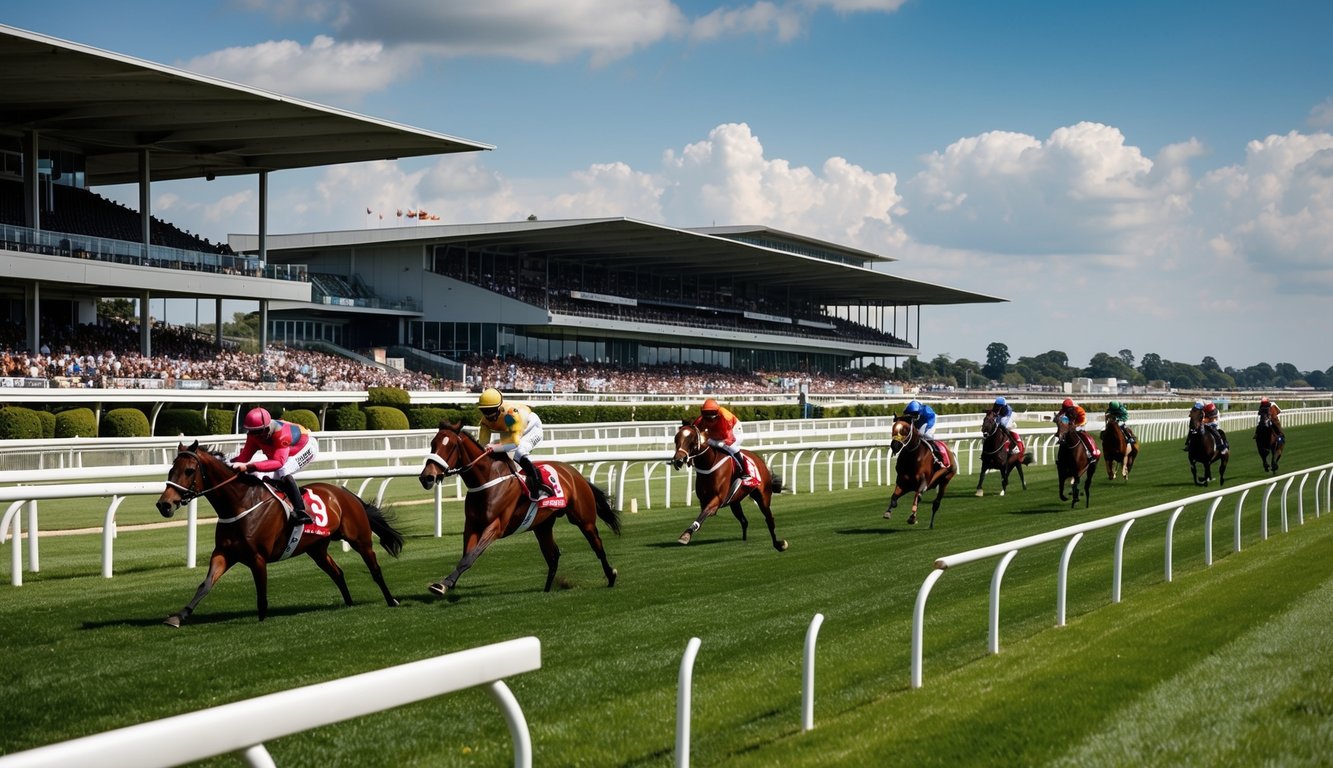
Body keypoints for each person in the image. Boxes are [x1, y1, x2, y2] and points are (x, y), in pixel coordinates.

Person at [229, 407, 316, 525]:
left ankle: (301, 511)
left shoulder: (282, 434)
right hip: (285, 452)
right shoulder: (254, 434)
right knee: (259, 474)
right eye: (251, 431)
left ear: (266, 427)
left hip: (306, 447)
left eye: (258, 431)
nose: (254, 436)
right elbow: (244, 458)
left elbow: (278, 462)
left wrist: (248, 467)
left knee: (283, 470)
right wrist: (227, 462)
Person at [476, 387, 553, 499]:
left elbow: (515, 444)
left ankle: (539, 484)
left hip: (531, 428)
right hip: (511, 430)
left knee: (520, 451)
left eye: (491, 410)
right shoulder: (485, 422)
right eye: (484, 411)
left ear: (499, 407)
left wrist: (494, 447)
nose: (488, 415)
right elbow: (482, 446)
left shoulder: (511, 415)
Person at [692, 398, 750, 480]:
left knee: (730, 447)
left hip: (734, 432)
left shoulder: (726, 418)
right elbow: (693, 429)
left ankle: (745, 471)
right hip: (717, 435)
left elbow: (729, 438)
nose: (709, 419)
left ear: (717, 412)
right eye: (706, 416)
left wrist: (717, 441)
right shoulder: (702, 418)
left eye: (711, 417)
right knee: (704, 441)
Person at [901, 399, 946, 467]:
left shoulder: (927, 411)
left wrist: (925, 431)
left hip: (929, 421)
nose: (912, 416)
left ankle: (937, 457)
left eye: (914, 414)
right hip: (920, 421)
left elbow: (930, 423)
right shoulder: (908, 410)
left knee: (925, 436)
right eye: (911, 414)